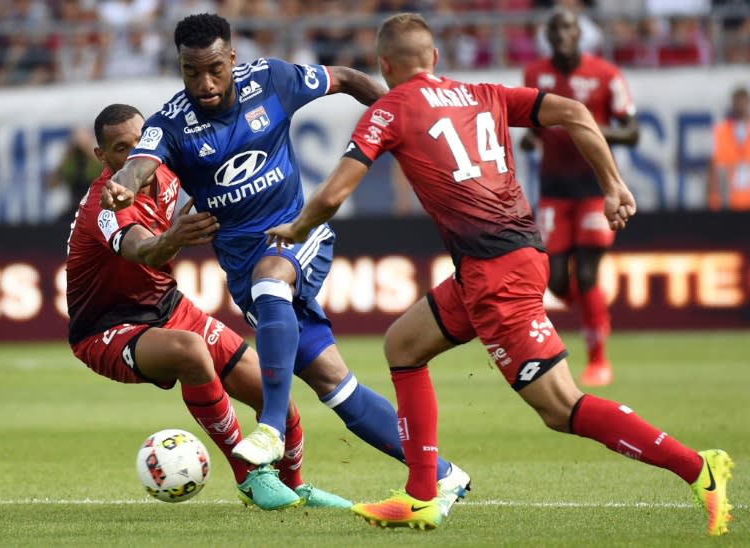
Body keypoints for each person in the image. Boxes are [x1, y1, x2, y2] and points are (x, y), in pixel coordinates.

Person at [265, 12, 734, 535]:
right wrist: (614, 185)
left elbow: (332, 194)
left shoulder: (390, 108)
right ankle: (422, 493)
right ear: (435, 58)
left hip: (497, 273)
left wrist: (297, 227)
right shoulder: (484, 92)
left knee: (560, 407)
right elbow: (576, 112)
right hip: (498, 263)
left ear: (383, 65)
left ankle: (699, 467)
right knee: (402, 346)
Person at [99, 13, 471, 515]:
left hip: (299, 234)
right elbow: (140, 163)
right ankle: (445, 475)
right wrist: (123, 183)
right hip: (245, 272)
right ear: (180, 67)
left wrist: (401, 118)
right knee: (336, 389)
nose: (204, 84)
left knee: (273, 276)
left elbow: (346, 79)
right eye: (191, 72)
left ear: (232, 57)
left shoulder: (272, 80)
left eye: (214, 69)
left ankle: (271, 426)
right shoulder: (171, 124)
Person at [67, 103, 352, 511]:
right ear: (102, 157)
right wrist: (174, 238)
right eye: (119, 149)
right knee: (190, 351)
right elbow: (142, 250)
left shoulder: (165, 173)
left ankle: (296, 488)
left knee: (276, 395)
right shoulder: (105, 206)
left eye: (138, 145)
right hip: (105, 328)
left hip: (168, 307)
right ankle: (251, 478)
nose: (132, 158)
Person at [521, 8, 640, 387]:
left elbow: (632, 131)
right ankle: (595, 316)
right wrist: (533, 135)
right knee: (555, 282)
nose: (560, 34)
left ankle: (598, 360)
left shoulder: (606, 75)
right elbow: (531, 123)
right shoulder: (533, 74)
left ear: (580, 33)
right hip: (553, 190)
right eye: (553, 28)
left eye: (567, 27)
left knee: (587, 273)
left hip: (594, 189)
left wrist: (585, 126)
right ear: (547, 35)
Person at [708, 86, 750, 210]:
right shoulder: (720, 131)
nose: (741, 106)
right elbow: (712, 166)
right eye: (738, 102)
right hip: (728, 199)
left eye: (744, 102)